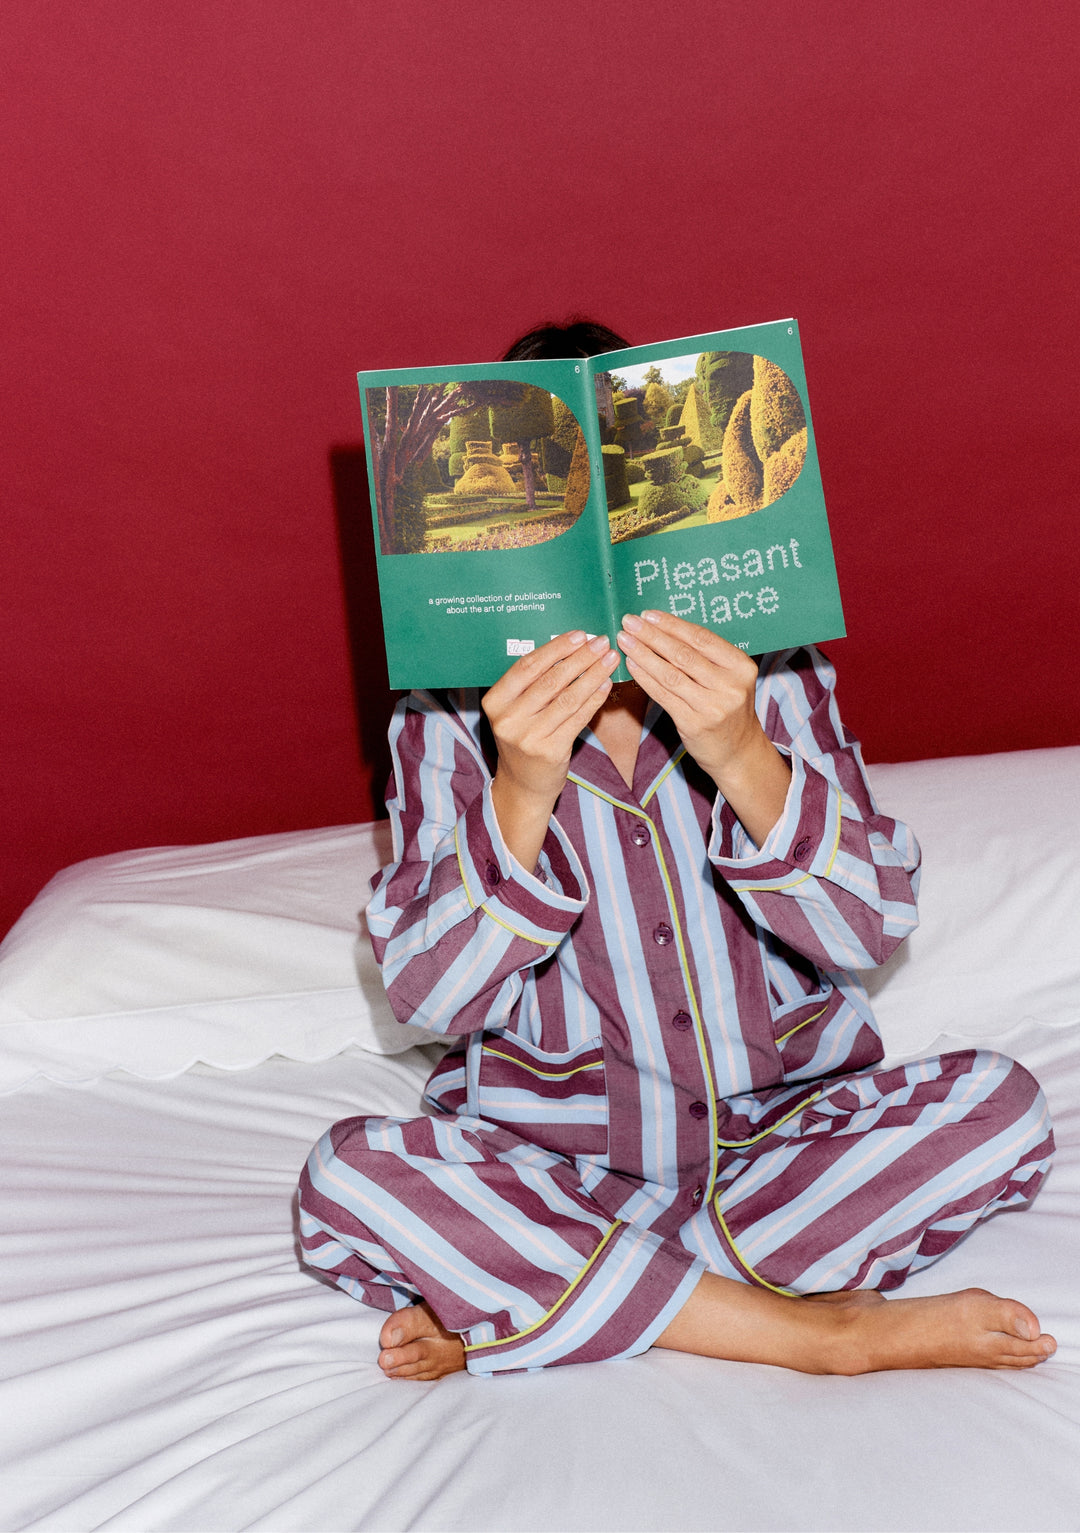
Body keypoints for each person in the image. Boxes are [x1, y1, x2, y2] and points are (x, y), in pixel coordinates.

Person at [298, 320, 1056, 1381]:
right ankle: (812, 1332)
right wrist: (522, 785)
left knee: (1002, 1106)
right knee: (351, 1177)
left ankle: (539, 1304)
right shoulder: (441, 718)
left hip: (780, 1145)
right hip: (550, 1162)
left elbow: (869, 926)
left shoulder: (778, 673)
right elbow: (429, 998)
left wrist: (741, 749)